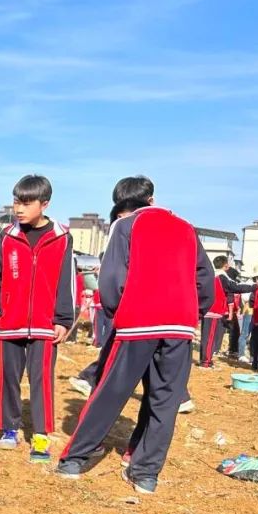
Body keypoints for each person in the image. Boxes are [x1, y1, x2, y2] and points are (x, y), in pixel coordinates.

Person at [54, 177, 214, 495]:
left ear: (122, 206)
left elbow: (112, 277)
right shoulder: (186, 228)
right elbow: (205, 279)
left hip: (138, 322)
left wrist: (117, 310)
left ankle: (75, 459)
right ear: (152, 199)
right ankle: (145, 475)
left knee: (110, 392)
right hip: (179, 325)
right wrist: (191, 311)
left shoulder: (125, 226)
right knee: (165, 400)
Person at [0, 176, 75, 463]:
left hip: (46, 325)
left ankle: (41, 435)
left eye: (26, 203)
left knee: (41, 380)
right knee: (9, 378)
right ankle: (9, 428)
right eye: (16, 202)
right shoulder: (6, 236)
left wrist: (63, 319)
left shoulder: (62, 238)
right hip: (11, 321)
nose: (19, 209)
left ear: (44, 204)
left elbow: (67, 282)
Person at [213, 258, 253, 362]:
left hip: (220, 310)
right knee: (222, 331)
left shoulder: (216, 276)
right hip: (222, 310)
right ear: (225, 266)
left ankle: (219, 350)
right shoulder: (222, 277)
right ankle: (215, 352)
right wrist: (230, 312)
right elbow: (232, 293)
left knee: (225, 331)